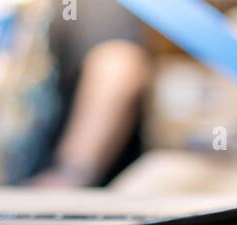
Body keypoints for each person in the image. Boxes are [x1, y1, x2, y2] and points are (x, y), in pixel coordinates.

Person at [20, 1, 151, 187]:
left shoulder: (81, 5)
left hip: (89, 198)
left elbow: (117, 67)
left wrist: (70, 175)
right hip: (44, 189)